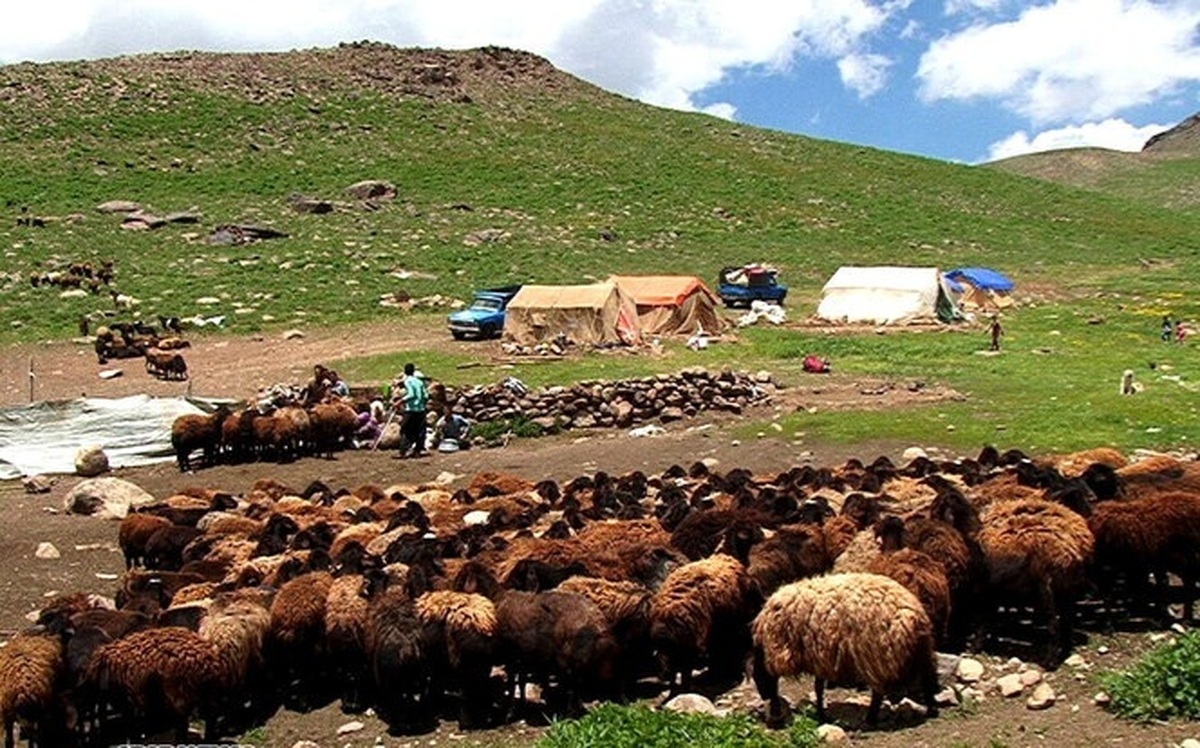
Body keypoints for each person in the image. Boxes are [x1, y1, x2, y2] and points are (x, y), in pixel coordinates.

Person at [392, 362, 429, 458]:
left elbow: (412, 394)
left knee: (405, 430)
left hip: (411, 410)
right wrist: (422, 404)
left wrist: (400, 401)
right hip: (421, 410)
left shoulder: (408, 381)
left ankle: (403, 452)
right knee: (419, 431)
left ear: (405, 371)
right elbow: (426, 395)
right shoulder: (420, 382)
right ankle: (417, 451)